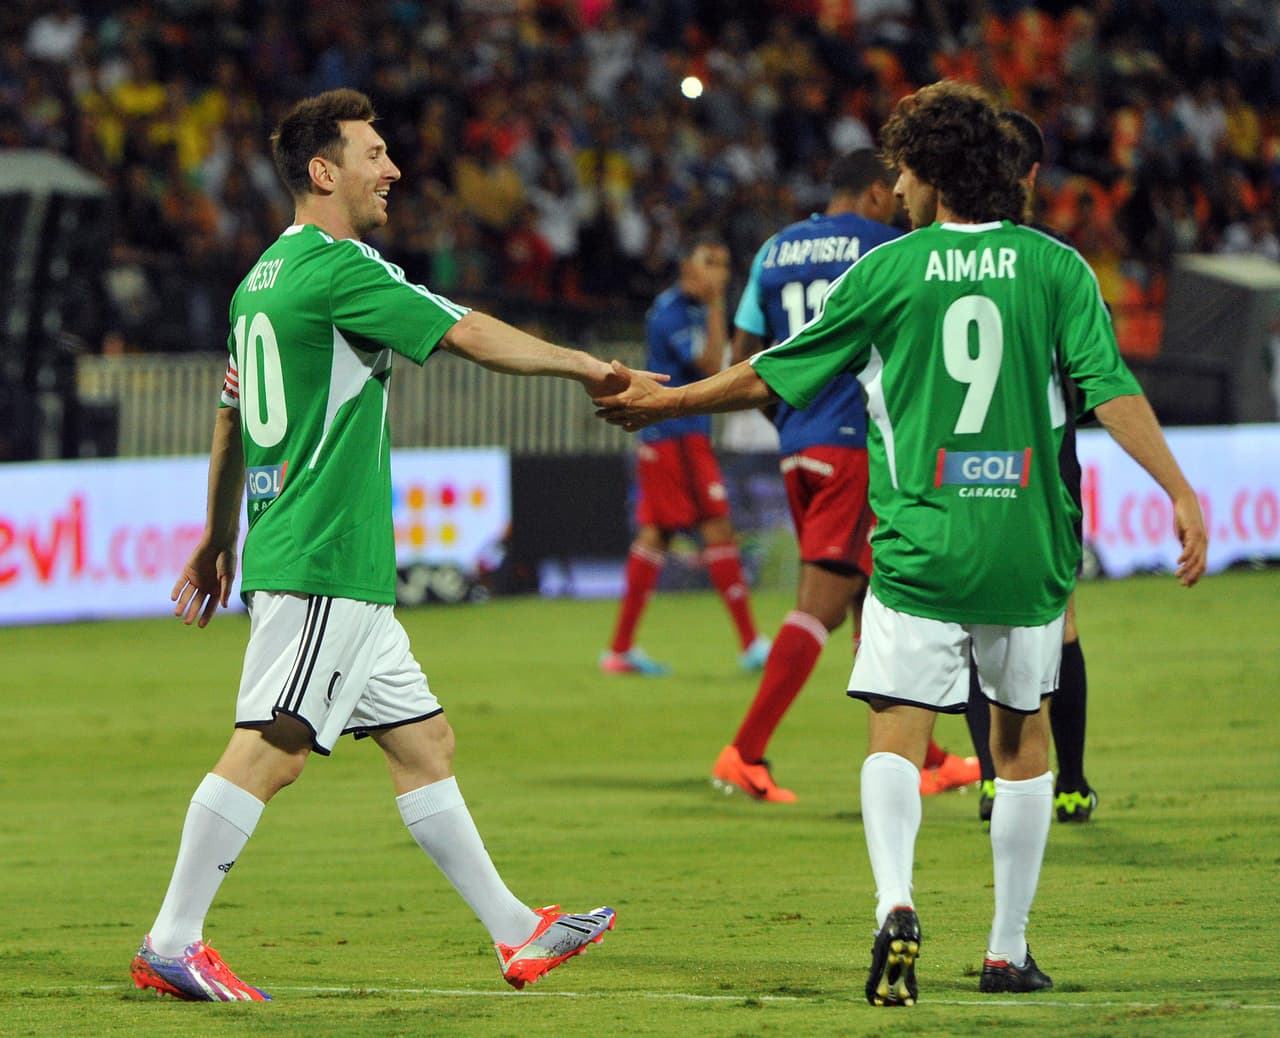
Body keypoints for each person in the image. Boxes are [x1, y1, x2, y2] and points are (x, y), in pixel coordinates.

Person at [594, 80, 1207, 1006]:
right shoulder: (1058, 269)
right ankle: (1007, 949)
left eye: (905, 172)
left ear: (928, 175)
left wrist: (670, 401)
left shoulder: (887, 271)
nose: (899, 189)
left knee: (896, 728)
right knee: (1021, 737)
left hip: (919, 546)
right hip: (1026, 547)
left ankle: (894, 906)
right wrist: (1178, 488)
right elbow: (1110, 389)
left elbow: (771, 376)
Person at [130, 89, 618, 1003]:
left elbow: (231, 418)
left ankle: (519, 931)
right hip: (324, 557)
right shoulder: (342, 268)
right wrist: (587, 364)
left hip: (316, 553)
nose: (391, 170)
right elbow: (467, 331)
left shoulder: (258, 283)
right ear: (324, 172)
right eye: (374, 154)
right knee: (271, 746)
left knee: (425, 742)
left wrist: (214, 534)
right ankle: (172, 937)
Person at [710, 148, 978, 802]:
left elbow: (745, 354)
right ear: (877, 195)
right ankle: (744, 753)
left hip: (798, 444)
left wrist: (789, 418)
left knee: (871, 596)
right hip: (856, 445)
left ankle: (927, 754)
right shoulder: (885, 244)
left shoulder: (774, 250)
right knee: (821, 605)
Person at [968, 110, 1101, 825]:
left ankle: (992, 779)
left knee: (964, 613)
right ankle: (1071, 781)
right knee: (1061, 619)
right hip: (1044, 463)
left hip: (950, 460)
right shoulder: (1056, 260)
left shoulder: (930, 256)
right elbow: (1086, 379)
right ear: (1032, 176)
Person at [599, 231, 771, 676]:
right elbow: (713, 366)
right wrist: (717, 306)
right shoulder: (673, 312)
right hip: (672, 439)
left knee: (675, 532)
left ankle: (622, 648)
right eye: (710, 261)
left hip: (682, 437)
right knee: (701, 528)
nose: (720, 272)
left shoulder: (692, 310)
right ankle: (750, 644)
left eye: (725, 263)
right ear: (688, 267)